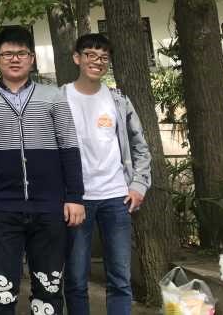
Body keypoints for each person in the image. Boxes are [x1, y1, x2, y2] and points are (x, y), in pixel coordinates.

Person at [0, 26, 85, 315]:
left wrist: (75, 196)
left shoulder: (53, 96)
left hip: (49, 207)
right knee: (0, 288)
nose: (15, 59)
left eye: (21, 53)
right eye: (7, 54)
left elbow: (69, 147)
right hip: (2, 208)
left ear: (32, 59)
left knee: (49, 286)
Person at [64, 33, 152, 315]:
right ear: (77, 58)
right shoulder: (59, 98)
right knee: (76, 279)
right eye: (90, 55)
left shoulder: (118, 100)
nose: (97, 61)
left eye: (103, 57)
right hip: (76, 200)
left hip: (116, 198)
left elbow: (140, 146)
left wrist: (138, 185)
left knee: (120, 280)